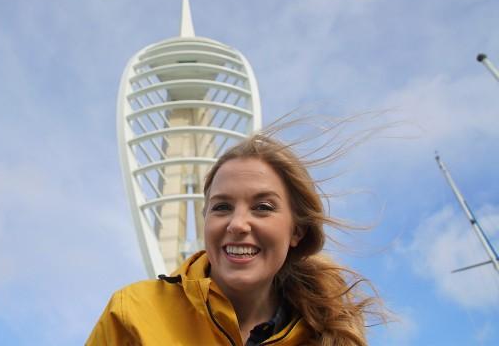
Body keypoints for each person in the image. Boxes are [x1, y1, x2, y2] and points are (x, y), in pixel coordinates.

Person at [87, 132, 383, 346]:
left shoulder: (326, 336)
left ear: (297, 231)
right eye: (222, 207)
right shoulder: (133, 312)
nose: (237, 224)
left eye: (262, 207)